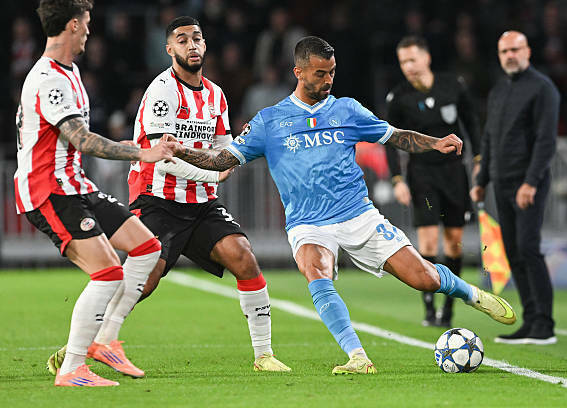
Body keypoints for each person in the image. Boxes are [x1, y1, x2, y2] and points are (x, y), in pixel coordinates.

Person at [170, 36, 517, 374]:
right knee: (316, 269)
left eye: (332, 72)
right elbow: (221, 160)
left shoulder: (347, 109)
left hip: (358, 215)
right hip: (308, 223)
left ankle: (472, 294)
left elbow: (394, 135)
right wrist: (181, 150)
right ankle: (357, 356)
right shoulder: (269, 121)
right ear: (298, 72)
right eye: (320, 73)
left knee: (423, 278)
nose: (328, 80)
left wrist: (434, 143)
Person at [17, 0, 178, 387]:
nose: (90, 31)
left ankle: (104, 340)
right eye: (87, 23)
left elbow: (75, 138)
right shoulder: (50, 78)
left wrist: (127, 146)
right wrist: (141, 153)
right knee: (107, 273)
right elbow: (82, 139)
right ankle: (72, 368)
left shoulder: (69, 72)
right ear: (73, 25)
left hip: (74, 185)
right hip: (48, 191)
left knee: (147, 248)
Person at [127, 16, 290, 372]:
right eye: (182, 39)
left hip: (201, 202)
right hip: (158, 199)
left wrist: (220, 167)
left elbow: (225, 152)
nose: (192, 45)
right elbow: (163, 160)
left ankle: (264, 355)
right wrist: (213, 173)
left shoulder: (216, 95)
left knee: (243, 256)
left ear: (204, 45)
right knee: (143, 282)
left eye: (197, 38)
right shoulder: (162, 91)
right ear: (169, 49)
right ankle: (80, 345)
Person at [384, 36, 481, 328]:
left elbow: (471, 123)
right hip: (422, 175)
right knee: (427, 240)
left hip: (454, 174)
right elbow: (390, 140)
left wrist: (479, 160)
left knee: (453, 243)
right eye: (403, 62)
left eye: (412, 59)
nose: (408, 66)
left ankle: (449, 308)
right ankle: (429, 308)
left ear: (426, 58)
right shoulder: (398, 97)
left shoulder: (453, 85)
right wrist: (397, 180)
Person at [470, 31, 559, 345]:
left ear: (527, 51)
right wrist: (481, 181)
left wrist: (531, 182)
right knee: (513, 252)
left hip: (527, 182)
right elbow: (489, 138)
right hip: (501, 182)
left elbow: (546, 140)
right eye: (504, 51)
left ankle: (544, 324)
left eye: (515, 49)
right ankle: (531, 320)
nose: (509, 55)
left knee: (528, 248)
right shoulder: (499, 90)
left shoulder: (543, 88)